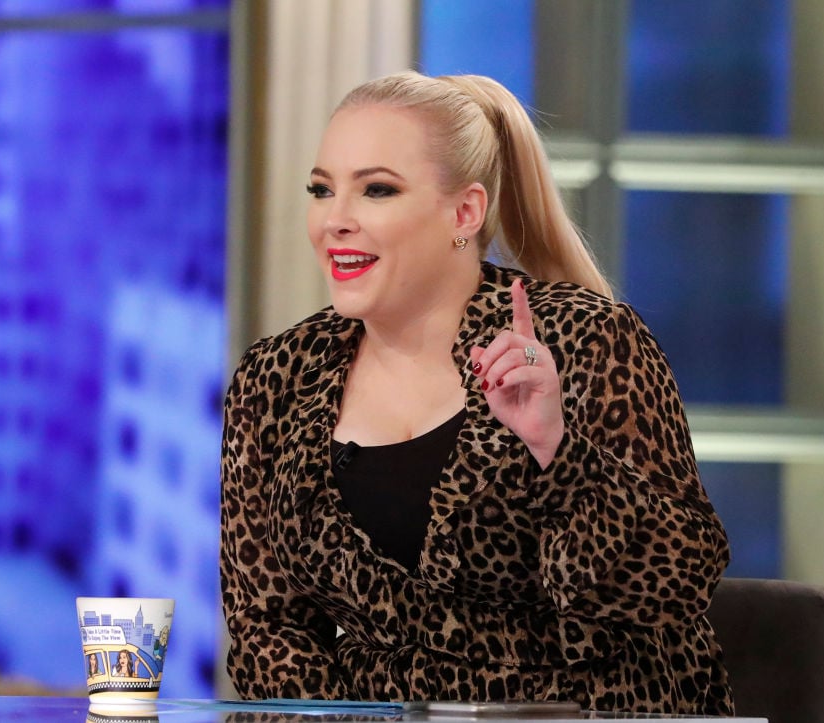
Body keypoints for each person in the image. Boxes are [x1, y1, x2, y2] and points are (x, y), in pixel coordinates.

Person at [220, 70, 733, 714]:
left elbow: (678, 579)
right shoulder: (277, 379)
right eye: (322, 190)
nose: (335, 221)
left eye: (377, 190)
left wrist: (557, 453)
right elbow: (268, 629)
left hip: (589, 708)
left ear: (465, 212)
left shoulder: (588, 340)